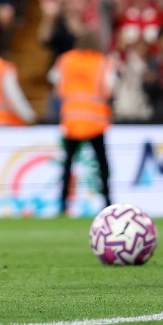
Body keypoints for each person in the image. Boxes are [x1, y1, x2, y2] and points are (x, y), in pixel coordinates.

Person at [50, 29, 114, 216]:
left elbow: (56, 87)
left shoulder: (65, 60)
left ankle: (63, 203)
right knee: (102, 163)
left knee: (68, 164)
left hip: (72, 120)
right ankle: (108, 202)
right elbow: (109, 89)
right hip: (95, 121)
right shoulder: (102, 61)